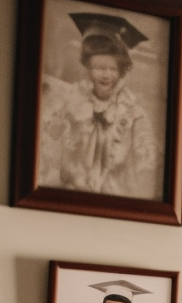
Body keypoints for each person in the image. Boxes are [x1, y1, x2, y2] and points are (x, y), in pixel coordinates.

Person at [37, 12, 161, 199]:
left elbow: (147, 161)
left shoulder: (134, 113)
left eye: (112, 69)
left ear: (122, 70)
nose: (105, 75)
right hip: (69, 193)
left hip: (115, 198)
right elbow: (49, 140)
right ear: (87, 67)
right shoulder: (71, 100)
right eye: (98, 68)